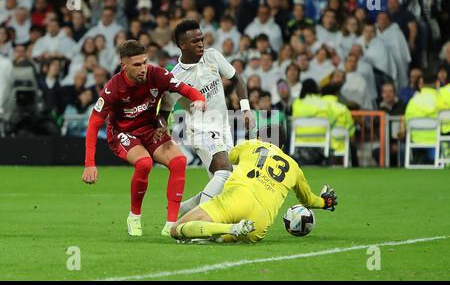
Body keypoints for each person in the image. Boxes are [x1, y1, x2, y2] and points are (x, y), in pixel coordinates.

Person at [81, 40, 206, 237]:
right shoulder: (113, 88)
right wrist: (89, 163)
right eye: (137, 65)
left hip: (150, 129)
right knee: (144, 163)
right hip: (123, 133)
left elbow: (186, 90)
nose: (143, 69)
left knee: (179, 161)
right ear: (124, 66)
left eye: (145, 62)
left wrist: (199, 99)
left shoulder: (157, 75)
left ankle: (171, 224)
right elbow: (94, 124)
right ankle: (134, 216)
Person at [170, 125, 338, 243]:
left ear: (259, 137)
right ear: (283, 146)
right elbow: (308, 200)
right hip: (258, 224)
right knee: (227, 235)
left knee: (177, 229)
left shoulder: (250, 144)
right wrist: (325, 202)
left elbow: (229, 160)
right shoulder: (294, 167)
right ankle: (223, 235)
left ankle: (226, 230)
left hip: (235, 200)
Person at [160, 20, 253, 217]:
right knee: (225, 170)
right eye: (195, 41)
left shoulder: (212, 56)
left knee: (226, 182)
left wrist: (245, 109)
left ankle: (184, 209)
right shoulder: (175, 78)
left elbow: (238, 80)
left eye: (201, 39)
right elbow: (164, 109)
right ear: (182, 45)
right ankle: (198, 222)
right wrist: (162, 130)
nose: (201, 44)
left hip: (223, 127)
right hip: (199, 130)